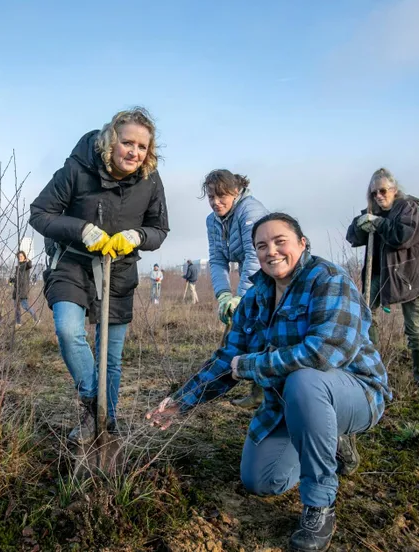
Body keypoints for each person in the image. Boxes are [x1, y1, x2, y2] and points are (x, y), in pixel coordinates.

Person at [147, 213, 390, 552]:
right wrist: (182, 401)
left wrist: (251, 365)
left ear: (302, 243)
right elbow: (227, 359)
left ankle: (320, 504)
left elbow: (324, 354)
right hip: (291, 402)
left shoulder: (329, 280)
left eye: (280, 242)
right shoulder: (255, 296)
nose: (271, 251)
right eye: (261, 246)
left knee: (305, 381)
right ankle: (326, 438)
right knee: (262, 481)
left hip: (356, 392)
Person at [29, 107, 169, 443]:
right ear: (110, 141)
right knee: (68, 329)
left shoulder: (150, 180)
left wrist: (137, 236)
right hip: (72, 263)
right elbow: (40, 213)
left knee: (111, 357)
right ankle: (94, 405)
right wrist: (82, 230)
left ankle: (107, 421)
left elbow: (159, 229)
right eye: (127, 142)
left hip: (118, 270)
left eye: (142, 146)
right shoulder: (78, 169)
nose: (134, 152)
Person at [346, 168, 419, 387]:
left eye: (383, 191)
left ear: (394, 190)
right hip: (382, 274)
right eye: (374, 192)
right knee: (364, 313)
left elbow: (402, 236)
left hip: (411, 276)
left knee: (415, 328)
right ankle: (374, 364)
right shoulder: (372, 211)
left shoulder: (409, 209)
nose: (378, 196)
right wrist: (360, 224)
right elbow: (352, 237)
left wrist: (378, 223)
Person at [203, 169, 269, 408]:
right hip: (250, 276)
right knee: (248, 329)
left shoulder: (250, 211)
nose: (216, 202)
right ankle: (219, 384)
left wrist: (241, 296)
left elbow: (255, 255)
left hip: (270, 275)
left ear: (236, 191)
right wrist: (223, 295)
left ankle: (263, 394)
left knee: (265, 331)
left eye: (221, 196)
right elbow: (217, 259)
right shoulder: (212, 221)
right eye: (211, 196)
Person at [9, 251, 38, 325]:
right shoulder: (18, 267)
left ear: (24, 257)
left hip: (23, 291)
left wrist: (28, 260)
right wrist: (12, 280)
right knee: (17, 308)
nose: (20, 258)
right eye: (19, 256)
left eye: (21, 256)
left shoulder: (26, 266)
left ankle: (36, 319)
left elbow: (30, 265)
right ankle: (18, 323)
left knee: (25, 306)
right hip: (16, 291)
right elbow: (17, 279)